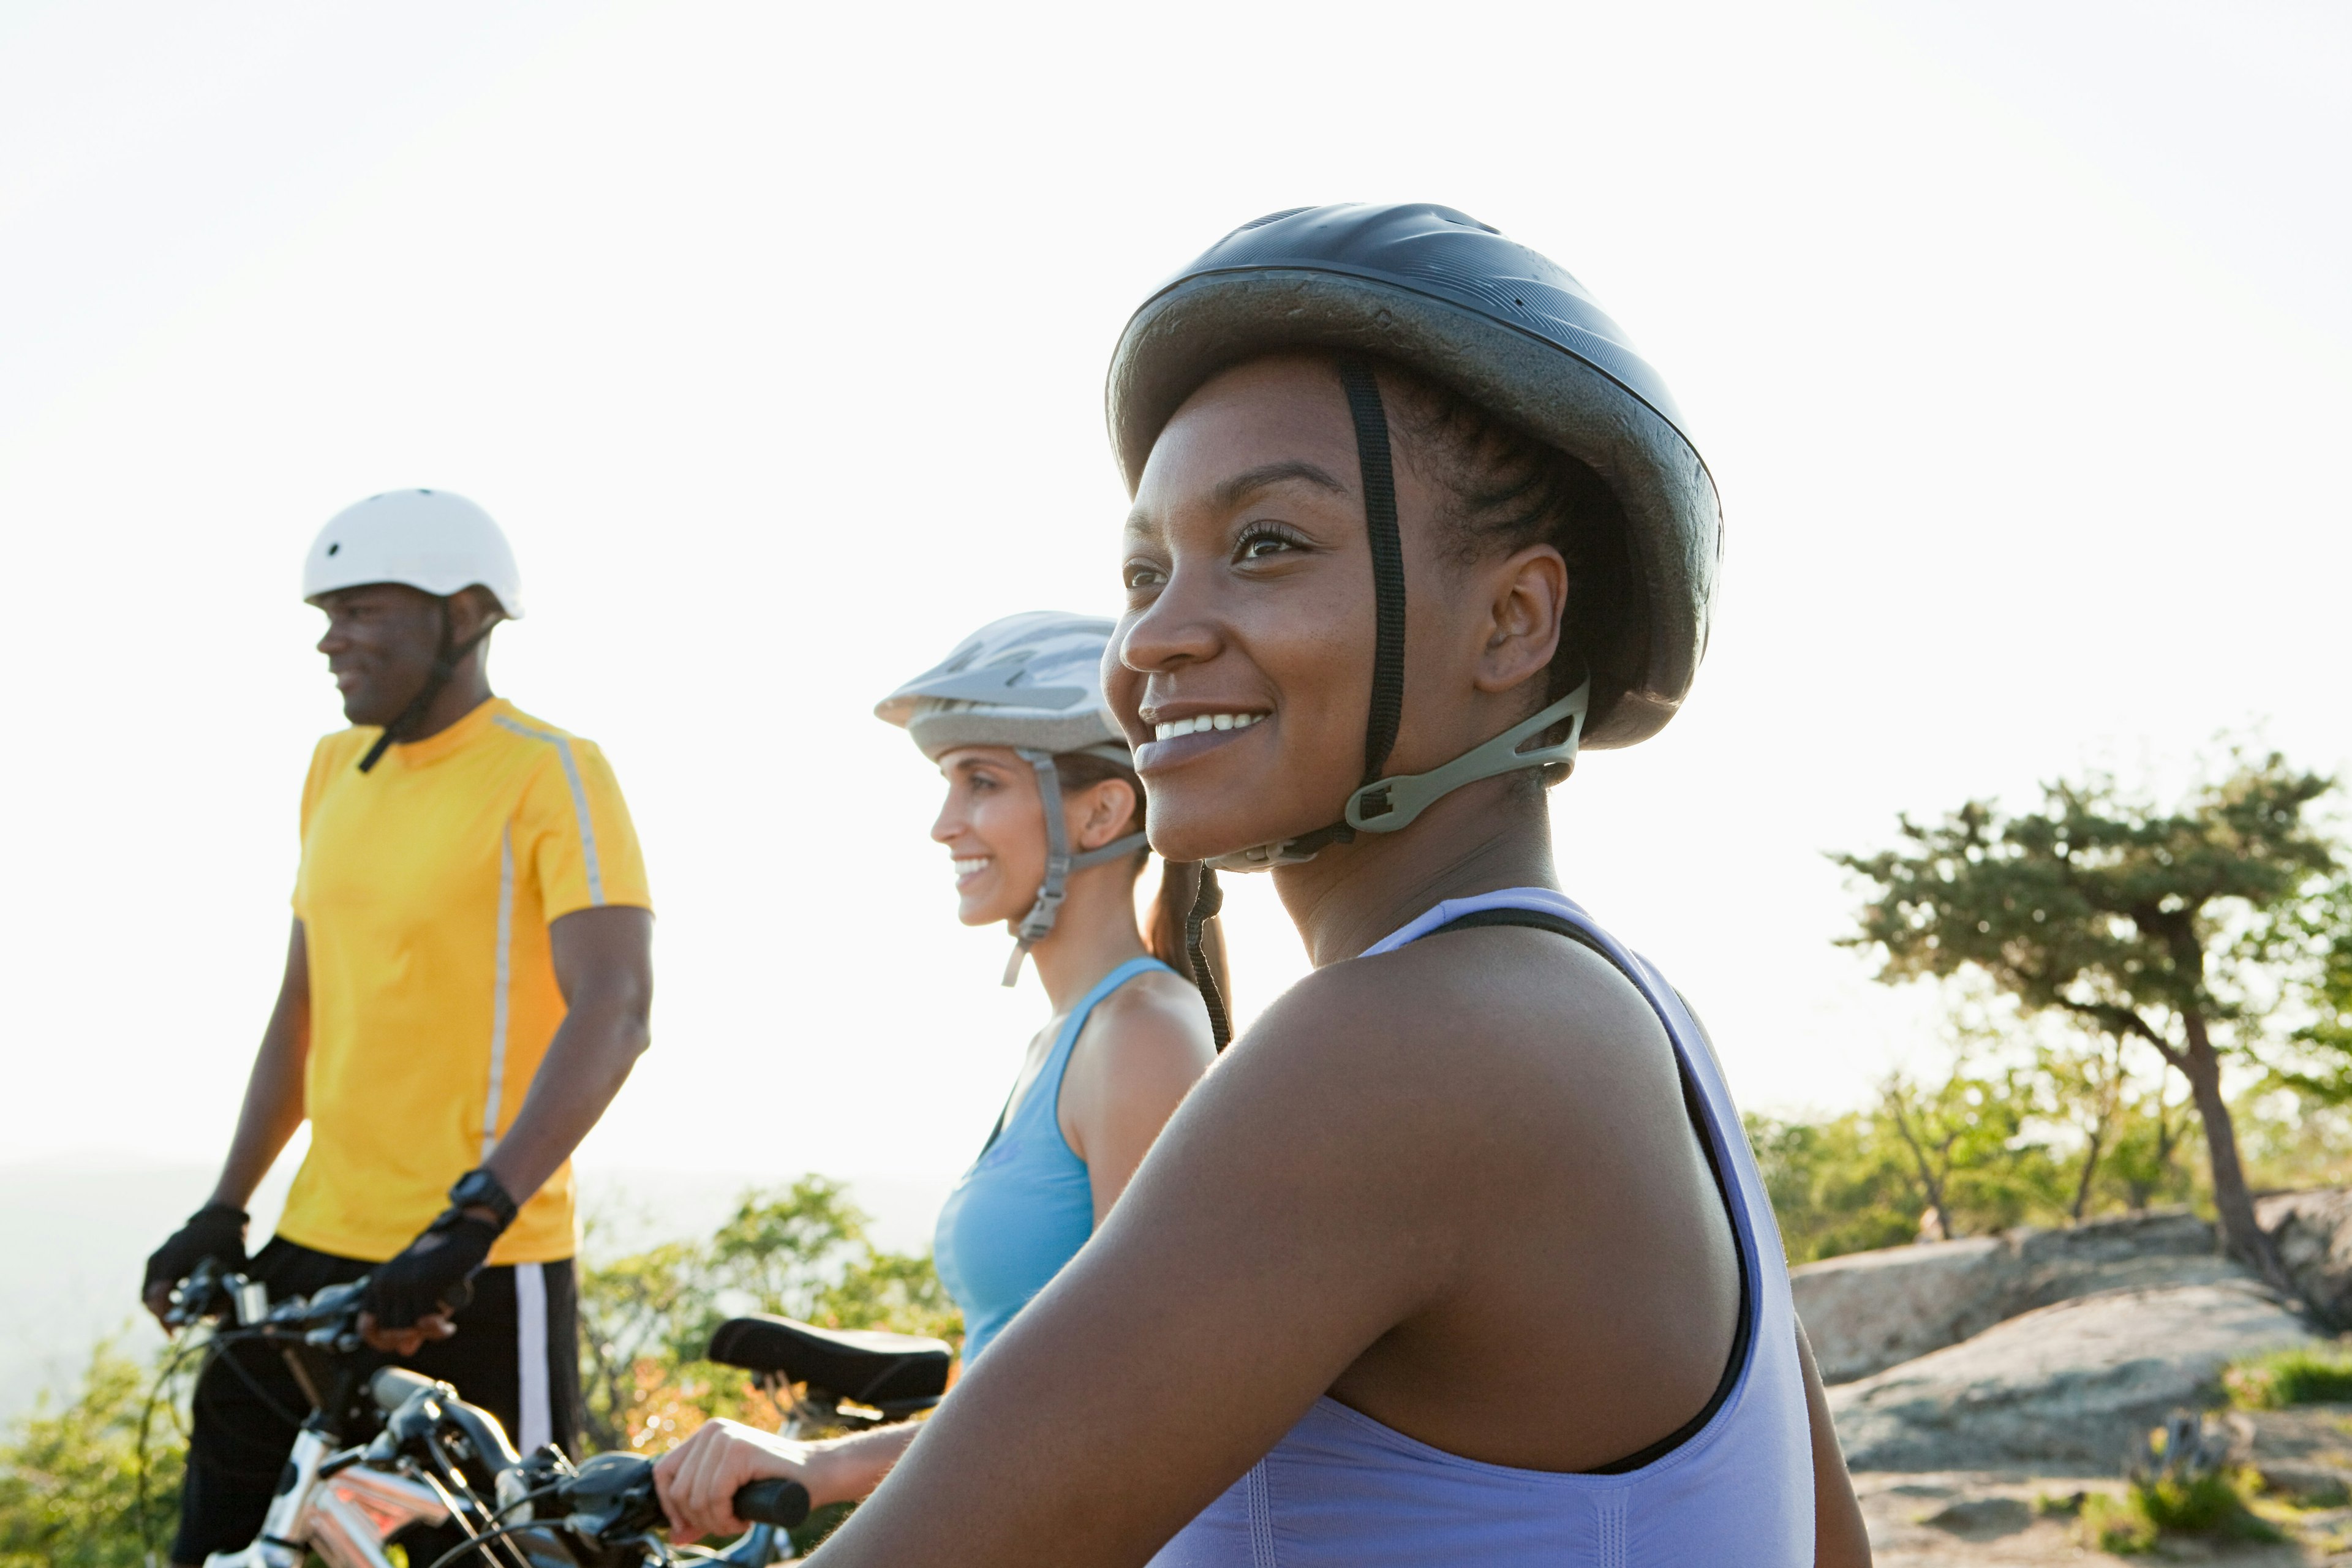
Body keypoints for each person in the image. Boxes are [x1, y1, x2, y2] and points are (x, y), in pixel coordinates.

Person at [759, 205, 1876, 1565]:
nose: (1155, 634)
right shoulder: (1622, 1013)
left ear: (1513, 621)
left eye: (1270, 543)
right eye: (1142, 570)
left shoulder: (1413, 1047)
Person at [139, 489, 655, 1566]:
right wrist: (223, 1208)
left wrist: (474, 1222)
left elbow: (617, 1008)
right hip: (318, 1245)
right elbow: (305, 1004)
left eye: (362, 611)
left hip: (474, 1264)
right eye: (325, 614)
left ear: (463, 616)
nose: (331, 640)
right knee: (228, 1536)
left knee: (497, 1554)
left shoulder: (551, 770)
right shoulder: (335, 768)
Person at [652, 612, 1219, 1542]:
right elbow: (1011, 1381)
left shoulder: (1142, 1036)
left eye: (981, 782)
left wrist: (824, 1465)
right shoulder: (1068, 1040)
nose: (942, 823)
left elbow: (1135, 1393)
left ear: (1104, 811)